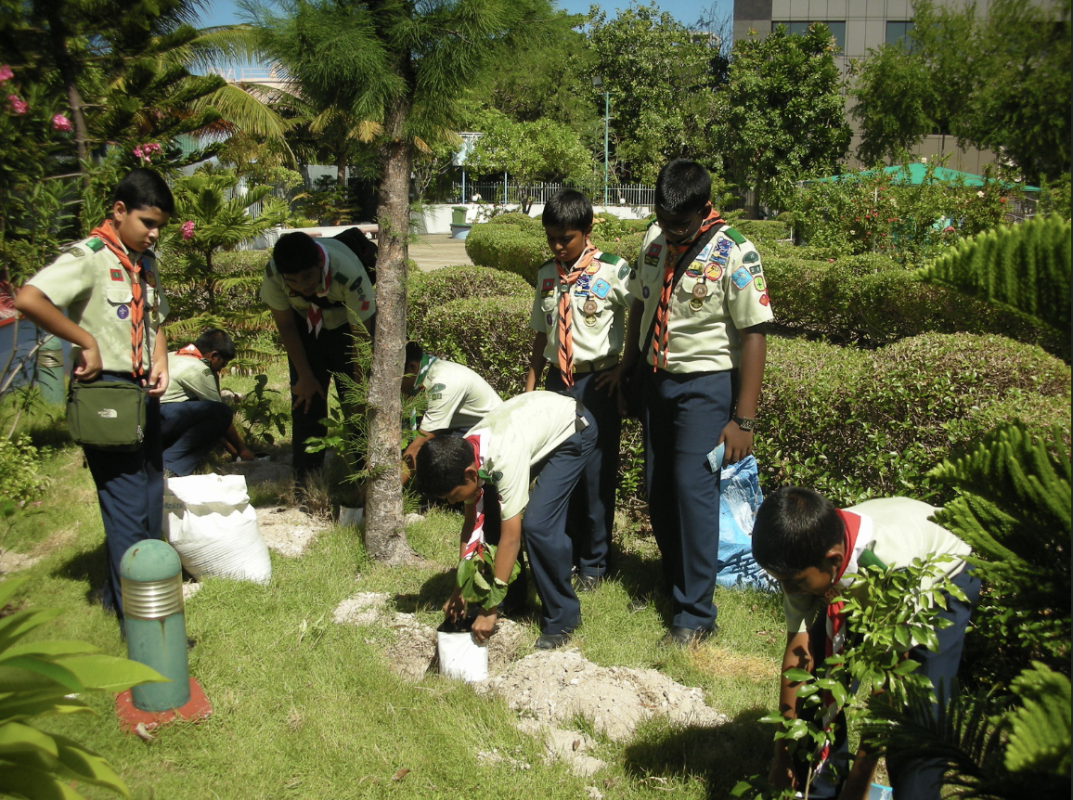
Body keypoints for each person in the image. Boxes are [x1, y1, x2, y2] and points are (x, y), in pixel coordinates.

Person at [621, 158, 773, 646]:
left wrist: (743, 419)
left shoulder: (734, 252)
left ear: (704, 208)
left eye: (680, 224)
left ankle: (695, 615)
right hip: (656, 380)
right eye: (663, 220)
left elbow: (754, 334)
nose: (671, 231)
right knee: (659, 489)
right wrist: (629, 367)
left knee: (693, 495)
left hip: (704, 388)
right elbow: (642, 303)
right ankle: (674, 581)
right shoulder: (654, 239)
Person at [15, 168, 173, 625]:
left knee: (149, 500)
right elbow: (29, 298)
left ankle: (118, 593)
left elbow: (155, 317)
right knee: (127, 508)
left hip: (141, 393)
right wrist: (85, 341)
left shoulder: (144, 262)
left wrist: (160, 359)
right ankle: (141, 624)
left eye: (160, 225)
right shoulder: (89, 257)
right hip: (106, 393)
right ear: (119, 211)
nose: (154, 233)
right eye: (147, 222)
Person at [751, 488, 980, 800]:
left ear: (833, 561)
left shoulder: (891, 566)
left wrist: (860, 780)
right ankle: (818, 789)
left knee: (916, 718)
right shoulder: (802, 553)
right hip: (859, 578)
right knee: (815, 684)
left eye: (795, 582)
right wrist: (783, 758)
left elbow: (891, 680)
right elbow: (798, 656)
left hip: (940, 580)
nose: (789, 591)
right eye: (781, 581)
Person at [416, 391, 597, 649]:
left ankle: (563, 618)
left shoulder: (502, 458)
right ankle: (512, 600)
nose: (452, 503)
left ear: (470, 475)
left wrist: (488, 610)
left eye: (453, 496)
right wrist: (460, 590)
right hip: (534, 428)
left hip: (573, 429)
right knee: (490, 514)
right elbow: (472, 527)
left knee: (538, 525)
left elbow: (511, 538)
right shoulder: (463, 454)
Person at [525, 190, 632, 591]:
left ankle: (595, 563)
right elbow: (541, 333)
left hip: (596, 382)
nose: (557, 246)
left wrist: (624, 367)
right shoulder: (546, 275)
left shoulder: (613, 270)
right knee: (559, 472)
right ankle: (566, 553)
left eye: (565, 238)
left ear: (587, 231)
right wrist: (531, 387)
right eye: (550, 238)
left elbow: (642, 314)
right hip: (557, 383)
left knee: (595, 476)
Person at [260, 230, 376, 479]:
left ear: (320, 263)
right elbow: (286, 326)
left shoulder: (347, 272)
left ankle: (364, 477)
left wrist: (359, 387)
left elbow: (361, 335)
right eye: (293, 281)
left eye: (308, 277)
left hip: (349, 327)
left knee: (356, 403)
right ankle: (307, 480)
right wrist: (305, 377)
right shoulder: (274, 274)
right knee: (305, 399)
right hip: (306, 327)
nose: (303, 286)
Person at [400, 341, 502, 484]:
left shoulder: (442, 383)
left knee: (435, 453)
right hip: (461, 426)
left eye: (397, 379)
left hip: (490, 433)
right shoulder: (425, 372)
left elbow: (418, 446)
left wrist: (386, 490)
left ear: (412, 367)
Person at [159, 328, 256, 475]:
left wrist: (233, 451)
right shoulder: (198, 368)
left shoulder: (170, 355)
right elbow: (219, 416)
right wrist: (242, 450)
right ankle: (170, 465)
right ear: (214, 356)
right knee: (221, 412)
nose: (221, 370)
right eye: (223, 364)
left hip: (142, 416)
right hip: (159, 416)